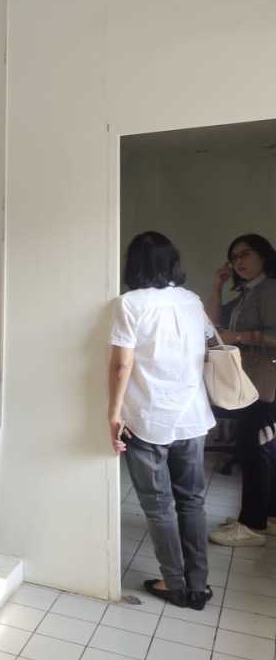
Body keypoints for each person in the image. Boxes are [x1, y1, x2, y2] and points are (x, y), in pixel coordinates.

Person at [109, 231, 215, 610]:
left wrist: (113, 413)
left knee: (159, 506)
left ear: (133, 264)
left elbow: (121, 365)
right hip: (192, 416)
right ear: (172, 262)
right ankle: (198, 585)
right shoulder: (192, 300)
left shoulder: (129, 304)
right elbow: (208, 346)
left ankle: (174, 584)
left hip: (148, 418)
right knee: (192, 501)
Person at [206, 233, 276, 547]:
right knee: (262, 449)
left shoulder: (270, 289)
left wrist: (241, 337)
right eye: (234, 257)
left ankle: (251, 525)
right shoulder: (249, 292)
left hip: (266, 383)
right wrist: (217, 286)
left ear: (264, 255)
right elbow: (212, 326)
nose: (238, 262)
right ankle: (268, 517)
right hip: (251, 383)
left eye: (245, 254)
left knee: (256, 450)